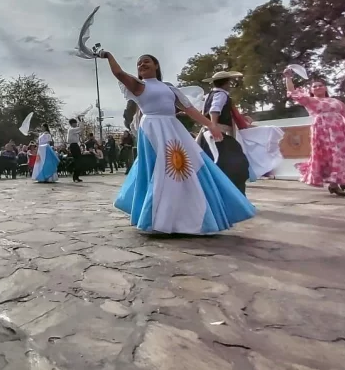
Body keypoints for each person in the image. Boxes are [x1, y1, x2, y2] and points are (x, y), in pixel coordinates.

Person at [99, 50, 256, 234]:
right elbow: (119, 73)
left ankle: (186, 216)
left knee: (191, 167)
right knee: (162, 171)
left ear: (156, 65)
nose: (142, 64)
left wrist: (211, 125)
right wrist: (109, 55)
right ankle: (159, 218)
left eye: (146, 61)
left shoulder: (170, 88)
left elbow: (190, 109)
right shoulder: (138, 86)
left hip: (174, 129)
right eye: (139, 64)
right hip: (152, 130)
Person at [284, 70, 345, 196]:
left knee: (343, 155)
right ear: (311, 90)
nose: (317, 87)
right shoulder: (310, 100)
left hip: (339, 132)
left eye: (320, 85)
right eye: (314, 86)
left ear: (325, 88)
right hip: (322, 131)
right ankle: (334, 185)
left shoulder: (335, 101)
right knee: (330, 155)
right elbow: (293, 93)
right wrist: (288, 78)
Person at [199, 71, 251, 195]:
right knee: (237, 166)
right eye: (229, 82)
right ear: (226, 82)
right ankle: (235, 198)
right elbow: (215, 110)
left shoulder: (209, 95)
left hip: (209, 136)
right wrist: (214, 126)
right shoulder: (221, 94)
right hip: (218, 136)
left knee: (219, 167)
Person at [66, 118, 84, 182]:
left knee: (79, 161)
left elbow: (80, 131)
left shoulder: (73, 130)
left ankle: (76, 176)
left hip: (76, 145)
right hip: (73, 145)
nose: (76, 124)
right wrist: (81, 121)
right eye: (75, 123)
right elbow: (81, 128)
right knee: (78, 161)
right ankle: (74, 176)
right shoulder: (71, 130)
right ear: (72, 124)